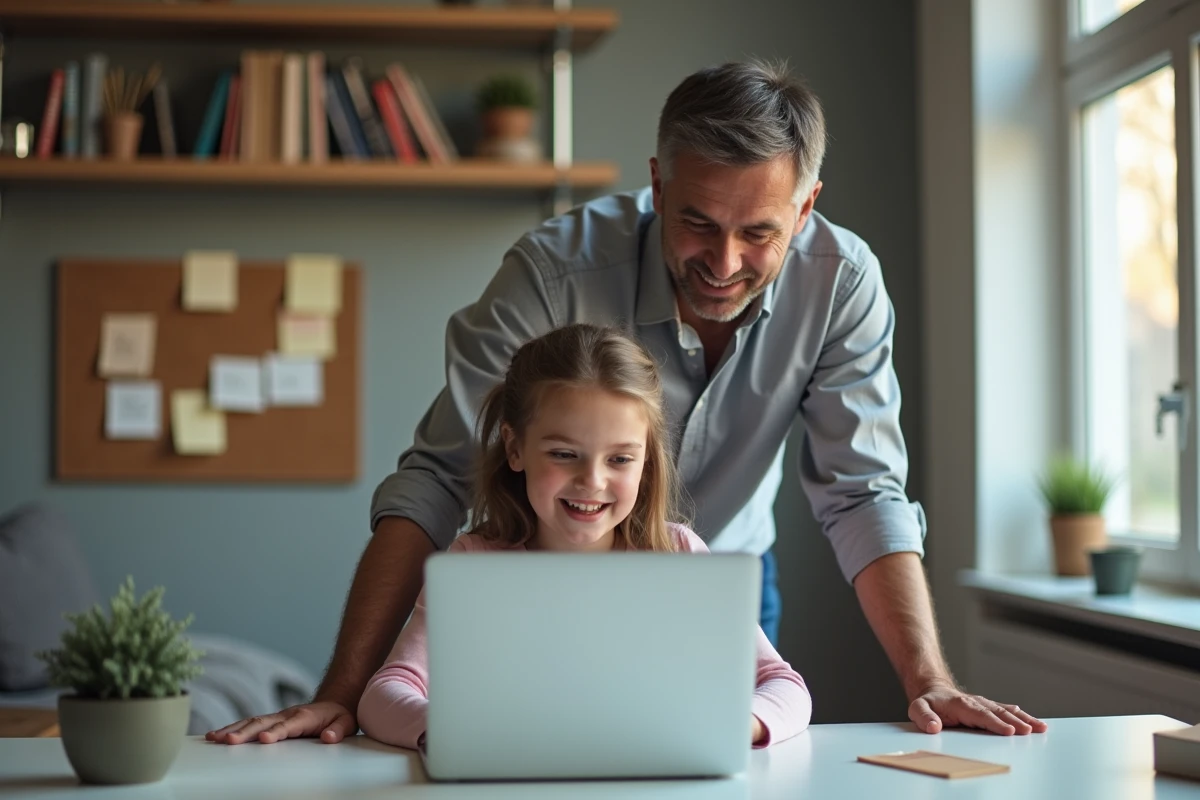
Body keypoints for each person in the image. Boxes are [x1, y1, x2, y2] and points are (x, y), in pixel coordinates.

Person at [208, 59, 1046, 747]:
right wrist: (346, 694)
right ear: (656, 182)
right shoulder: (550, 273)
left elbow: (863, 494)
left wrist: (929, 683)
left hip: (716, 580)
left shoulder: (843, 283)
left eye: (759, 231)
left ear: (806, 205)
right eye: (695, 222)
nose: (722, 261)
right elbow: (436, 473)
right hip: (529, 595)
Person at [357, 324, 812, 750]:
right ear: (515, 449)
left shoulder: (679, 558)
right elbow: (384, 693)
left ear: (646, 460)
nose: (591, 481)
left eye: (619, 459)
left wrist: (737, 723)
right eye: (563, 454)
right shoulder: (471, 564)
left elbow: (784, 685)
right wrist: (447, 734)